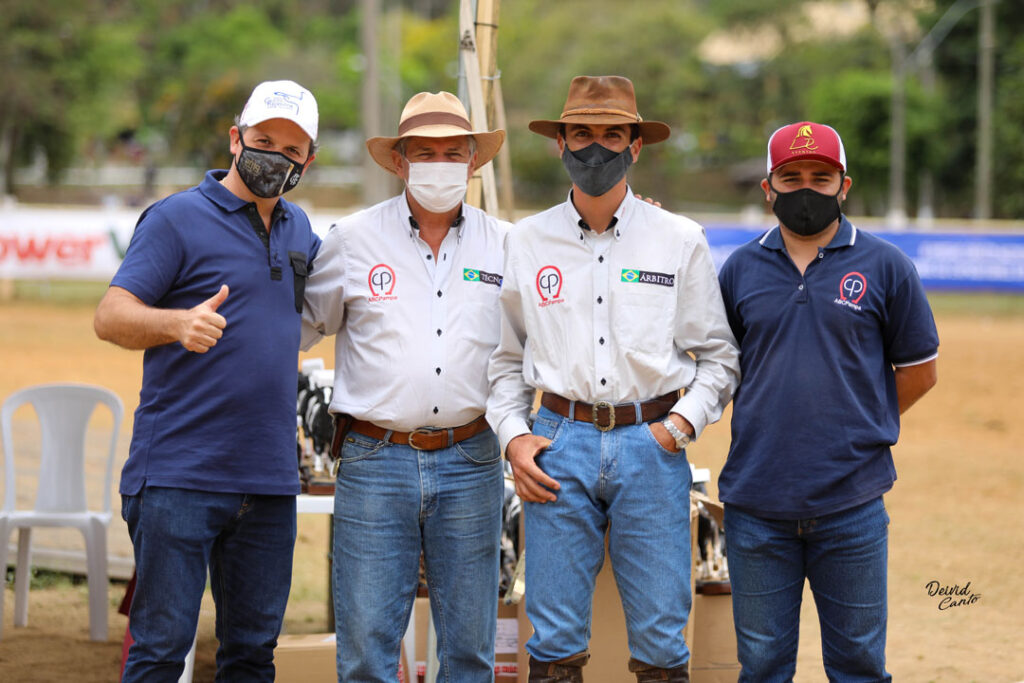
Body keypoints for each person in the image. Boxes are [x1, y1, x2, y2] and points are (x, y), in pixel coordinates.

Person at [486, 75, 741, 682]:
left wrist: (677, 428)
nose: (594, 148)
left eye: (610, 135)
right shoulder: (526, 241)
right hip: (556, 442)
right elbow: (504, 360)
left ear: (635, 145)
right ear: (560, 144)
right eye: (581, 134)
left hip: (650, 440)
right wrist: (514, 437)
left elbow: (719, 356)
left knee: (660, 636)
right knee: (551, 636)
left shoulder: (678, 239)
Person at [93, 79, 321, 682]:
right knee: (162, 651)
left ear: (309, 160)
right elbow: (110, 316)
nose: (276, 155)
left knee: (252, 654)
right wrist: (176, 323)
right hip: (178, 476)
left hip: (269, 482)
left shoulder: (301, 232)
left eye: (291, 149)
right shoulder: (175, 219)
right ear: (235, 137)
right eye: (264, 139)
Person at [717, 121, 939, 681]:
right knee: (763, 664)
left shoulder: (886, 265)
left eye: (822, 176)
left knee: (859, 663)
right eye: (790, 177)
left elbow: (919, 371)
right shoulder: (739, 270)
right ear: (768, 188)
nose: (806, 188)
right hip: (756, 503)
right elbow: (718, 368)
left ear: (844, 184)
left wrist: (861, 423)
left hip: (853, 503)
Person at [300, 91, 509, 681]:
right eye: (424, 152)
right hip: (374, 454)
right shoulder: (352, 239)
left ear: (473, 160)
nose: (439, 164)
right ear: (399, 162)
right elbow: (298, 328)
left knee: (469, 649)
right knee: (367, 648)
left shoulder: (507, 245)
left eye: (451, 152)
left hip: (472, 457)